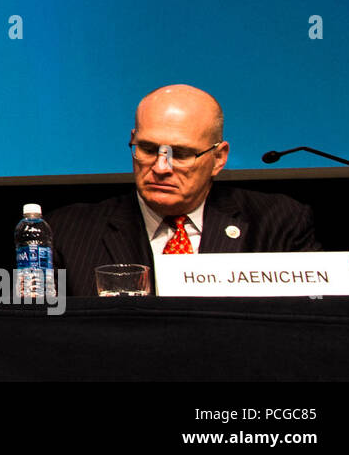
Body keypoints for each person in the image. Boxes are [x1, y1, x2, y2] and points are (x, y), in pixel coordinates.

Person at [49, 84, 321, 296]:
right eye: (147, 149)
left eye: (180, 154)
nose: (161, 167)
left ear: (218, 158)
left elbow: (310, 332)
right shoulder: (66, 232)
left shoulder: (278, 223)